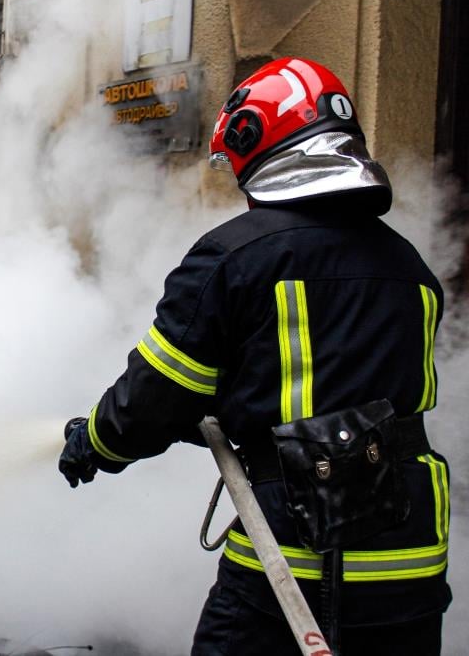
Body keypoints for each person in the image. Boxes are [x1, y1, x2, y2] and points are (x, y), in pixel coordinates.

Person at [58, 58, 450, 655]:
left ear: (256, 146)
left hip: (293, 564)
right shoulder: (411, 268)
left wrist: (97, 442)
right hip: (414, 565)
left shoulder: (234, 258)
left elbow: (157, 394)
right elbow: (335, 385)